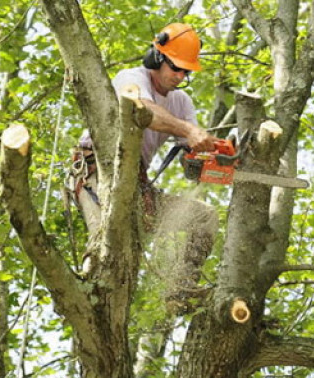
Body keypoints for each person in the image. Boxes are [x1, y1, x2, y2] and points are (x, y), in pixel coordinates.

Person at [69, 23, 219, 313]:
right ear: (156, 58)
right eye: (176, 68)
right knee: (105, 245)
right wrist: (188, 130)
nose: (180, 76)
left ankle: (180, 290)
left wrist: (211, 155)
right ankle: (84, 297)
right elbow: (146, 112)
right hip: (96, 171)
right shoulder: (131, 79)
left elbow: (190, 154)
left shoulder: (181, 102)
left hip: (137, 184)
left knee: (204, 217)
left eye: (186, 72)